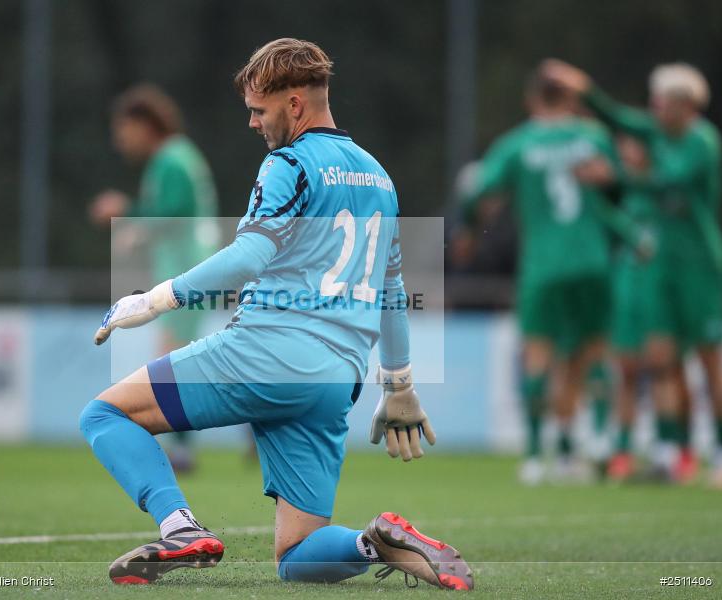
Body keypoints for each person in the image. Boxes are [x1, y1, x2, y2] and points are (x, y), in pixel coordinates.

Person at [78, 38, 473, 589]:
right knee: (297, 556)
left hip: (266, 353)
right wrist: (400, 383)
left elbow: (248, 256)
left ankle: (179, 527)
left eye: (259, 110)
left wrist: (155, 299)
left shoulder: (288, 163)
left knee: (104, 416)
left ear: (293, 104)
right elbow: (392, 290)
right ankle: (375, 541)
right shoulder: (380, 177)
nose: (253, 123)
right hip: (335, 379)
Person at [543, 60, 722, 487]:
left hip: (699, 266)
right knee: (664, 360)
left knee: (709, 362)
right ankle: (671, 452)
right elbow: (617, 118)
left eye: (662, 101)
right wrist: (584, 89)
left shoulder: (702, 142)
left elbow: (668, 181)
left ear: (686, 105)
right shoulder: (657, 132)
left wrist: (615, 176)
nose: (654, 107)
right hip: (662, 267)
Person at [456, 68, 644, 485]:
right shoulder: (593, 137)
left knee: (539, 356)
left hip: (543, 266)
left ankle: (534, 456)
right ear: (570, 100)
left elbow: (478, 191)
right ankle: (593, 441)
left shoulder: (518, 144)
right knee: (590, 354)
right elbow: (621, 187)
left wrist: (469, 229)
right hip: (592, 261)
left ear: (532, 101)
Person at [88, 84, 219, 472]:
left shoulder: (170, 160)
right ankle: (199, 444)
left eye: (124, 129)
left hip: (188, 272)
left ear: (145, 125)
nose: (120, 140)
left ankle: (183, 451)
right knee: (180, 360)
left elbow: (173, 211)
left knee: (172, 360)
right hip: (190, 269)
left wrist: (127, 212)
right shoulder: (177, 156)